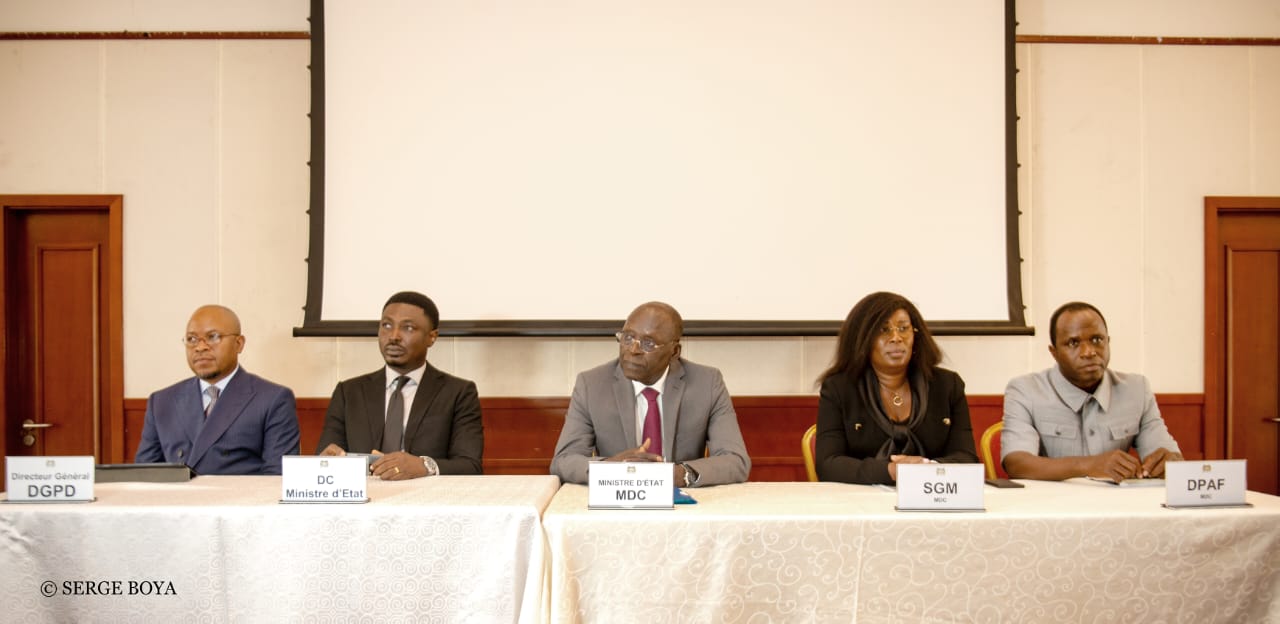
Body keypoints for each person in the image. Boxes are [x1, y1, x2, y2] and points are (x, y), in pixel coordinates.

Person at [550, 301, 750, 487]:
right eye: (628, 338)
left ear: (674, 352)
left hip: (682, 502)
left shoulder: (707, 383)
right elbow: (563, 461)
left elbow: (736, 461)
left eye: (648, 344)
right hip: (619, 498)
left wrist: (679, 474)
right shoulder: (591, 384)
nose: (633, 350)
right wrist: (611, 468)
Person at [1001, 301, 1182, 482]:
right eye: (1073, 343)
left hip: (1117, 499)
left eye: (1097, 340)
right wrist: (1089, 465)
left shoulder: (1136, 389)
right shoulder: (1026, 391)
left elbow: (1169, 456)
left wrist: (1167, 462)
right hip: (1054, 499)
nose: (1089, 352)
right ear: (1054, 352)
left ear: (1108, 342)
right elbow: (1016, 464)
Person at [814, 292, 977, 485]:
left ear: (915, 335)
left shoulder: (947, 385)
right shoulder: (839, 388)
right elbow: (828, 464)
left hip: (934, 493)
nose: (896, 338)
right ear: (862, 339)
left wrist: (927, 468)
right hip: (863, 497)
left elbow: (966, 458)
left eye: (903, 328)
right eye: (884, 330)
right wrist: (891, 471)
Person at [316, 291, 483, 479]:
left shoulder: (458, 393)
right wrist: (326, 462)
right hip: (365, 494)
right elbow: (326, 457)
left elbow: (470, 465)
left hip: (426, 495)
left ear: (432, 337)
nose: (393, 336)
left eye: (408, 328)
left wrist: (424, 466)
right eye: (386, 325)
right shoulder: (348, 393)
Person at [136, 305, 300, 475]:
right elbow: (144, 476)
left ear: (239, 344)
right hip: (176, 493)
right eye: (192, 339)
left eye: (213, 337)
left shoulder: (272, 399)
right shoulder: (162, 401)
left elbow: (276, 478)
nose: (200, 347)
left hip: (238, 493)